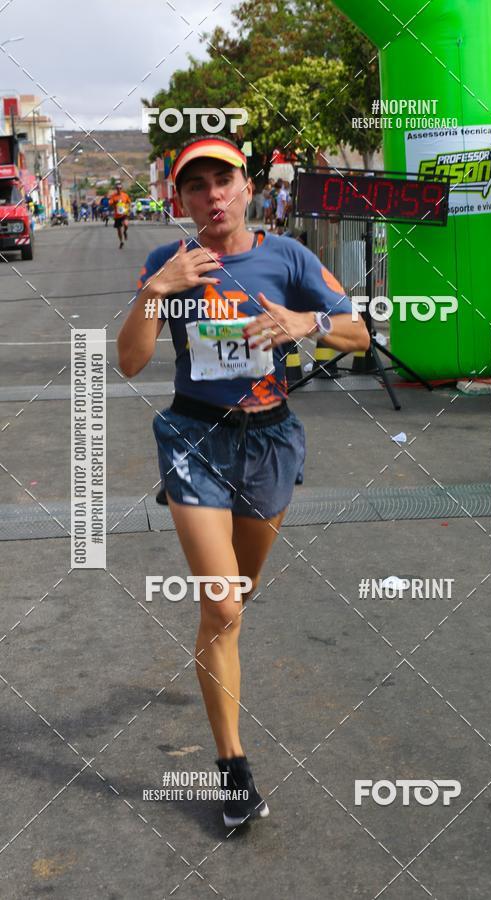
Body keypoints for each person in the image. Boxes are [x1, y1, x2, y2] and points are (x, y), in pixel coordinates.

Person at [117, 135, 369, 828]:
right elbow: (130, 364)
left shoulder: (286, 257)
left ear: (247, 188)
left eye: (223, 180)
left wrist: (304, 321)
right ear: (182, 200)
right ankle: (233, 768)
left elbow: (359, 334)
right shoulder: (166, 264)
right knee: (223, 608)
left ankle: (214, 637)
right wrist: (156, 290)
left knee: (238, 596)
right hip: (194, 437)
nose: (213, 195)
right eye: (196, 186)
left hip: (270, 440)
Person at [109, 180, 131, 248]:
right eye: (117, 188)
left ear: (121, 188)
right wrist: (114, 202)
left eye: (120, 188)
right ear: (116, 189)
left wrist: (128, 208)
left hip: (124, 213)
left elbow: (129, 202)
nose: (118, 189)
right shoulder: (113, 196)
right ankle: (121, 241)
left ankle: (125, 232)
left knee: (126, 224)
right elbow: (110, 203)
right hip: (117, 215)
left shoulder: (125, 195)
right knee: (119, 230)